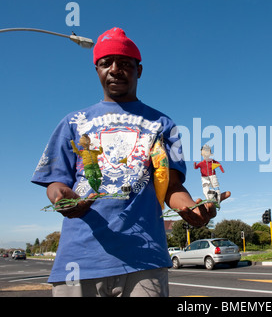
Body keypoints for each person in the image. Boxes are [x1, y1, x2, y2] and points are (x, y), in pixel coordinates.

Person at [31, 27, 230, 297]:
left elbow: (171, 186)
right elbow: (56, 181)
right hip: (79, 259)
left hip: (145, 259)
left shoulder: (162, 124)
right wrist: (60, 198)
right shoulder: (73, 122)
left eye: (125, 63)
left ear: (139, 70)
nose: (115, 69)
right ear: (97, 70)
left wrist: (191, 208)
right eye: (106, 63)